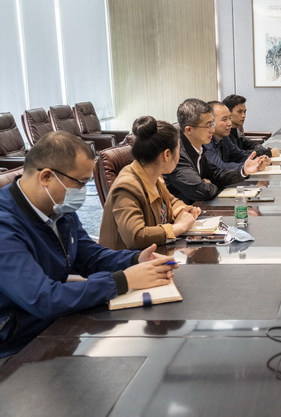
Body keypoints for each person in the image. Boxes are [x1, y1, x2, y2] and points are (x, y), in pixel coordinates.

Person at [0, 131, 177, 359]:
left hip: (58, 323)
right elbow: (43, 298)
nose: (83, 192)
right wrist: (123, 280)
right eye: (81, 183)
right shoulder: (5, 226)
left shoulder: (59, 207)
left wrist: (135, 259)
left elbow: (89, 256)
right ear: (46, 176)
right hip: (16, 345)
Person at [100, 117, 202, 250]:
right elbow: (136, 236)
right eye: (179, 150)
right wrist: (179, 227)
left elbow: (171, 201)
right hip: (126, 260)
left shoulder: (154, 175)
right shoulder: (126, 187)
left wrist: (183, 211)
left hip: (154, 253)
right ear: (167, 154)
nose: (179, 155)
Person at [164, 98, 263, 204]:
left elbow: (216, 174)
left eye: (212, 124)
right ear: (189, 130)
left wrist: (243, 171)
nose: (212, 129)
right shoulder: (177, 155)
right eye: (208, 125)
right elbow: (202, 191)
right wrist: (210, 185)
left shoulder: (199, 147)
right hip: (182, 211)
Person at [203, 101, 271, 171]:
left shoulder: (224, 138)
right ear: (210, 122)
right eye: (224, 119)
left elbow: (239, 156)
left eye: (229, 118)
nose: (229, 123)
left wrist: (258, 160)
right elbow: (219, 167)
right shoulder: (205, 141)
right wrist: (248, 166)